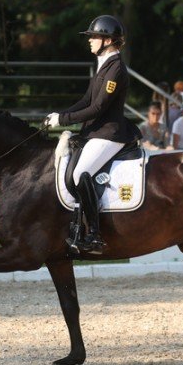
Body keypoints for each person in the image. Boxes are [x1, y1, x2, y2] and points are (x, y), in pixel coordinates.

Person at [44, 15, 141, 255]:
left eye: (94, 37)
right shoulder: (103, 64)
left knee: (80, 174)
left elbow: (98, 108)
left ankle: (94, 235)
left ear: (108, 40)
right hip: (95, 131)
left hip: (110, 133)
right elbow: (86, 100)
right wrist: (58, 115)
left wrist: (63, 121)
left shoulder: (116, 67)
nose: (90, 41)